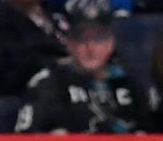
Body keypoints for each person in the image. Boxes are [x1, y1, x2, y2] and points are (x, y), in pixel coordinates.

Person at [15, 10, 155, 132]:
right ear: (69, 44)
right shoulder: (48, 84)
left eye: (98, 39)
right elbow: (25, 139)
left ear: (111, 44)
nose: (90, 48)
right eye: (82, 40)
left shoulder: (131, 85)